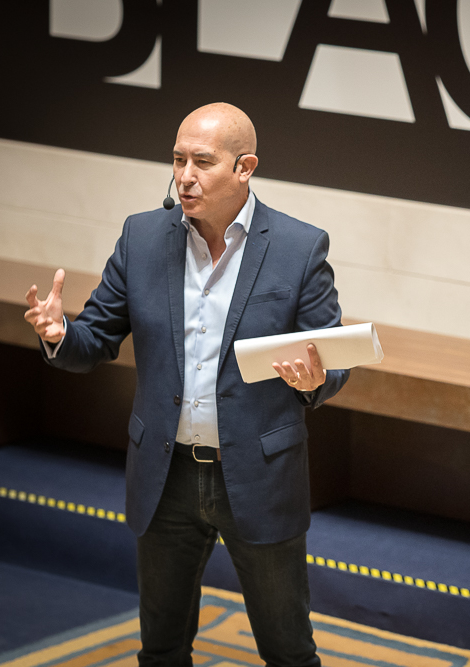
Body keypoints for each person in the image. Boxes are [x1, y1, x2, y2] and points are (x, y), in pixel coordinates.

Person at [23, 103, 347, 666]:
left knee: (288, 652)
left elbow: (332, 358)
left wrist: (317, 378)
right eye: (177, 160)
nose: (185, 176)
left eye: (202, 161)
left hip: (258, 476)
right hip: (164, 473)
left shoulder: (299, 247)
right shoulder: (143, 237)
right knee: (162, 649)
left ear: (244, 168)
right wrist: (59, 333)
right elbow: (93, 340)